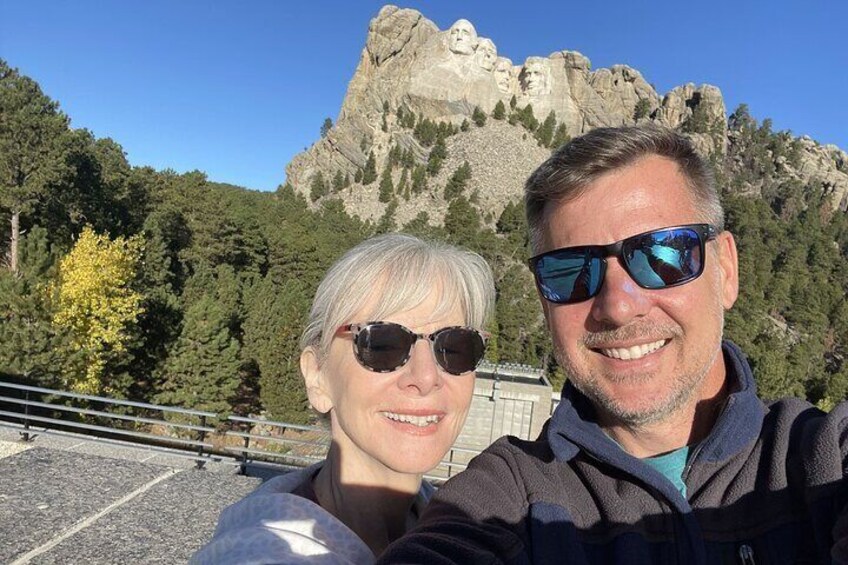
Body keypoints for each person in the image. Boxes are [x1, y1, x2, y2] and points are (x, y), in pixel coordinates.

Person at [379, 125, 848, 564]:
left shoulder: (821, 457)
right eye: (571, 270)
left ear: (725, 269)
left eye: (661, 255)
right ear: (545, 302)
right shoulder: (507, 495)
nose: (618, 306)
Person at [192, 233, 495, 564]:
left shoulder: (454, 526)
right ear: (317, 375)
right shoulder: (262, 552)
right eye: (382, 344)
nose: (425, 378)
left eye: (455, 348)